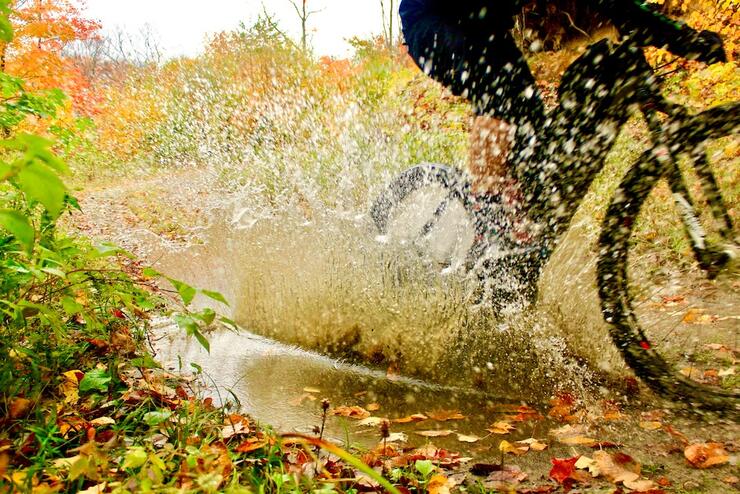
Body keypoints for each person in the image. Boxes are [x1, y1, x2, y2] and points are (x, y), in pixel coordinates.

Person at [399, 0, 725, 214]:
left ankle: (522, 210)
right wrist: (687, 41)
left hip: (484, 25)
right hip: (432, 19)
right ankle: (488, 208)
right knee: (501, 94)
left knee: (531, 123)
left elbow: (615, 10)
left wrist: (676, 35)